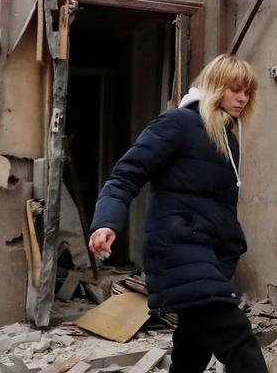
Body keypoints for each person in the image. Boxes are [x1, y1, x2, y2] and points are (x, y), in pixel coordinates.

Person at [88, 54, 267, 373]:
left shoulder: (226, 137)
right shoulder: (178, 123)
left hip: (208, 256)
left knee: (192, 349)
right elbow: (126, 174)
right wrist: (106, 222)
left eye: (247, 92)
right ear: (214, 87)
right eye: (235, 89)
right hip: (178, 250)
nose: (243, 98)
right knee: (237, 339)